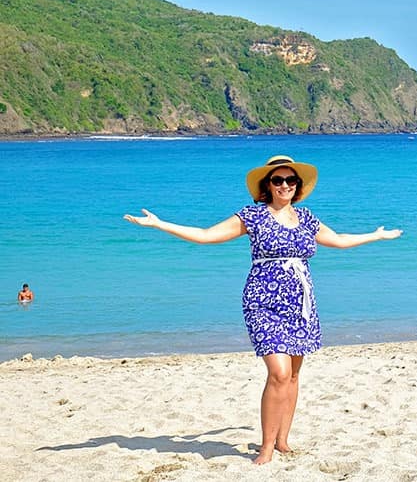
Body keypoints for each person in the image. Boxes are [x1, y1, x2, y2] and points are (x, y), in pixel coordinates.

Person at [124, 154, 401, 465]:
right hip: (262, 302)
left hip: (301, 304)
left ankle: (283, 440)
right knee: (279, 372)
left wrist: (376, 235)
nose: (285, 185)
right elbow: (206, 236)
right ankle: (266, 447)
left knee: (293, 375)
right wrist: (159, 224)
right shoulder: (253, 216)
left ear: (298, 186)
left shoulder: (307, 218)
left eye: (290, 180)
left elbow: (338, 240)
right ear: (267, 185)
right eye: (278, 180)